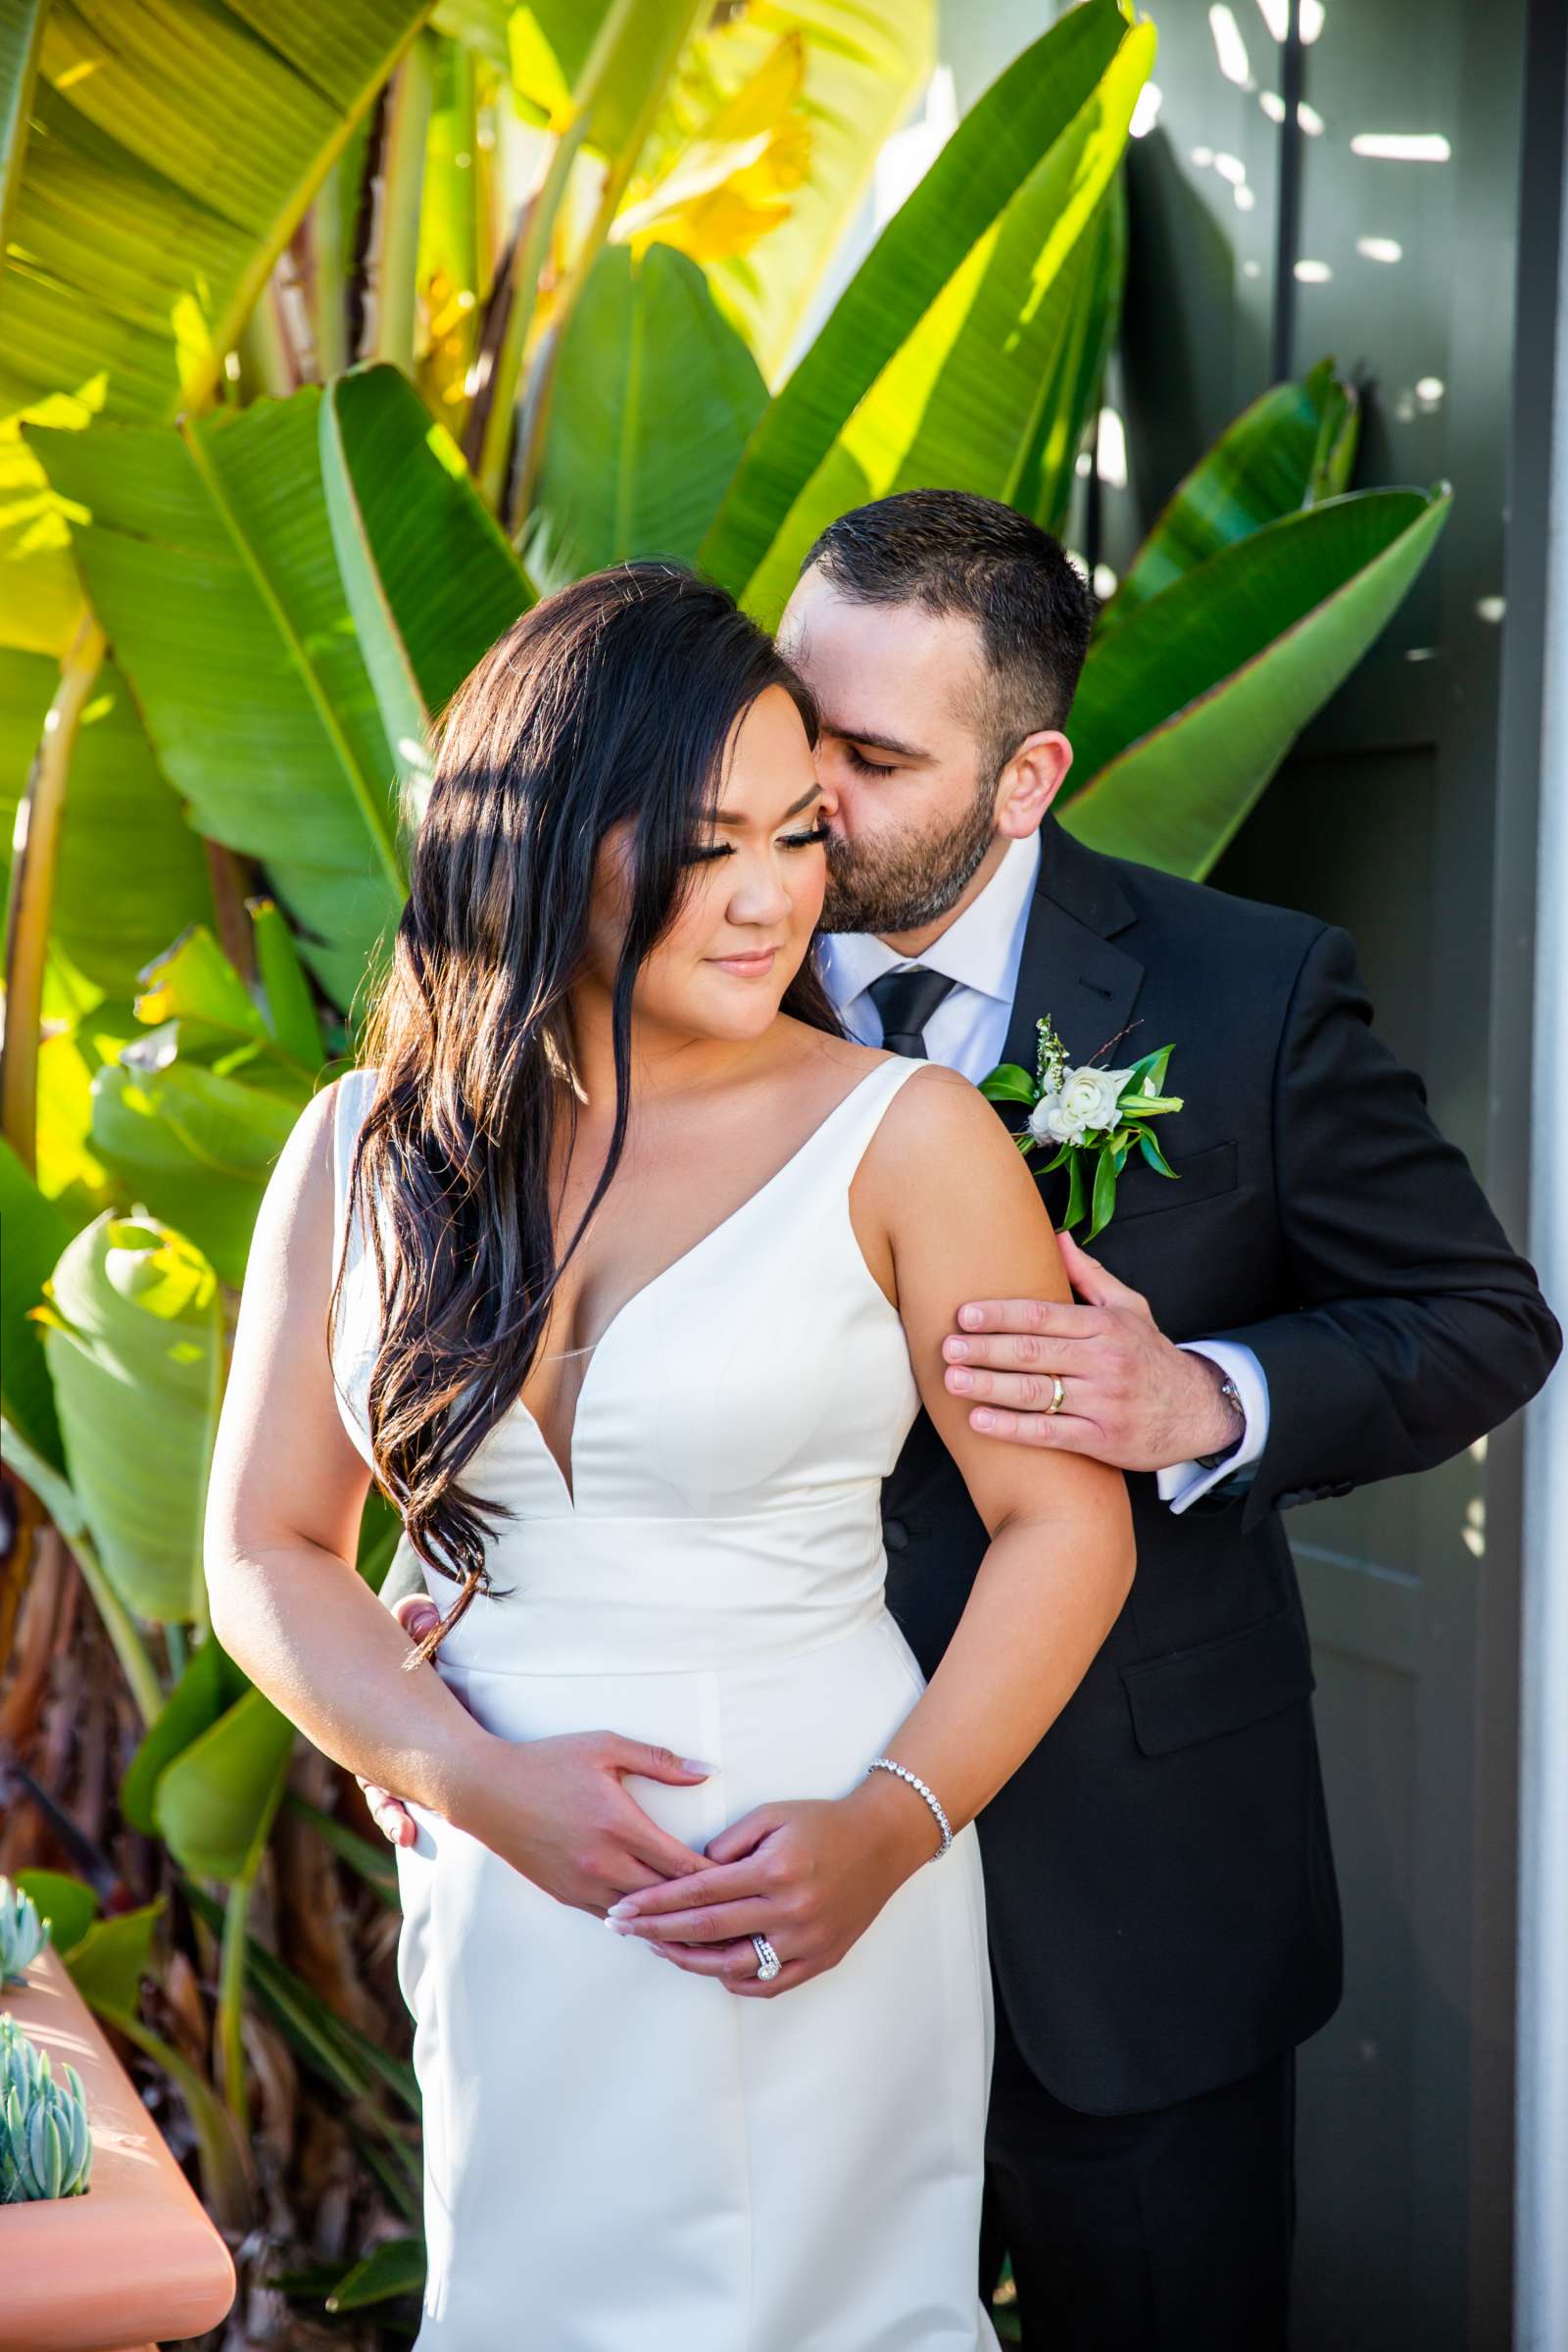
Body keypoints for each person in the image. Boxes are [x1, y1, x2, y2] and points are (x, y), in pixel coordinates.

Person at [362, 490, 1561, 2349]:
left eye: (865, 756)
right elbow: (501, 1362)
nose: (803, 806)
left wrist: (1206, 1393)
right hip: (719, 1848)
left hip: (1127, 1863)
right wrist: (448, 1659)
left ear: (1027, 777)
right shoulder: (644, 993)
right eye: (781, 731)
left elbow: (1484, 1318)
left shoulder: (1246, 991)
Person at [203, 559, 1135, 2350]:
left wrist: (892, 1824)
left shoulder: (908, 1139)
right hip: (503, 1889)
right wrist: (462, 1779)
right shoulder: (360, 1147)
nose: (776, 897)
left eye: (802, 835)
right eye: (713, 846)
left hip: (813, 1861)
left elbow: (1058, 1530)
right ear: (551, 835)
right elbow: (264, 1547)